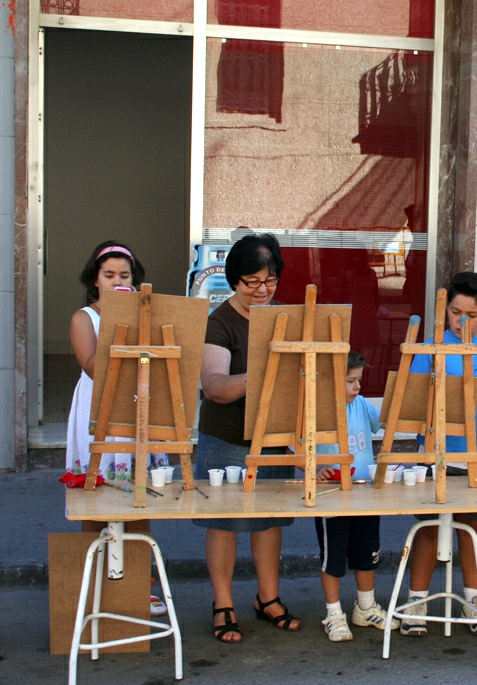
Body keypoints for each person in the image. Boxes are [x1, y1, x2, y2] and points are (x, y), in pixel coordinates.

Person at [399, 272, 477, 636]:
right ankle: (416, 601)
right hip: (437, 453)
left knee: (472, 526)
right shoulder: (432, 347)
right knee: (427, 526)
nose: (461, 321)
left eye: (471, 314)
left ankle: (474, 600)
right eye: (455, 312)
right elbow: (414, 400)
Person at [194, 233, 302, 643]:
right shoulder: (219, 322)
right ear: (233, 280)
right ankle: (223, 603)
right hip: (227, 437)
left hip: (272, 434)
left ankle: (268, 598)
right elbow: (214, 386)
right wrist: (264, 372)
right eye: (251, 282)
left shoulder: (283, 318)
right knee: (224, 522)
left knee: (268, 521)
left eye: (269, 280)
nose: (262, 290)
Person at [66, 240, 171, 616]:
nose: (117, 281)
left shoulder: (146, 314)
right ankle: (95, 586)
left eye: (124, 276)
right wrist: (118, 319)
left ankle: (141, 584)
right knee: (95, 501)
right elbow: (95, 366)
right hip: (98, 412)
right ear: (95, 280)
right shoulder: (84, 318)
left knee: (138, 497)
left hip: (136, 408)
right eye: (109, 275)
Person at [315, 351, 401, 641]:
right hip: (332, 494)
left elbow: (386, 421)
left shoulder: (362, 404)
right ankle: (333, 612)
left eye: (359, 380)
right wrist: (316, 468)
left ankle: (365, 606)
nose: (358, 386)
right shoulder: (319, 410)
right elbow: (297, 449)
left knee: (367, 552)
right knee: (333, 558)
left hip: (365, 492)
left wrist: (406, 402)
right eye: (350, 381)